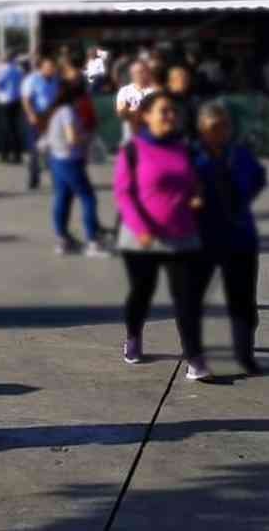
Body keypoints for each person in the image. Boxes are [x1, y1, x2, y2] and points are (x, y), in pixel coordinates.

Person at [114, 91, 214, 382]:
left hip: (182, 235)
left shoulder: (183, 148)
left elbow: (194, 182)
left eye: (173, 111)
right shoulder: (132, 150)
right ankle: (133, 335)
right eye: (163, 111)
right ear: (145, 115)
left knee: (187, 299)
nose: (170, 116)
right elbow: (124, 194)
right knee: (142, 294)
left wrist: (197, 196)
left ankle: (194, 357)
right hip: (141, 239)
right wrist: (141, 229)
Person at [193, 102, 268, 376]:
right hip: (203, 240)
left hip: (240, 238)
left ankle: (244, 352)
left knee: (244, 301)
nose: (220, 132)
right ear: (202, 129)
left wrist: (242, 199)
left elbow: (259, 177)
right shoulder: (194, 157)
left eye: (225, 126)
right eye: (214, 127)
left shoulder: (240, 154)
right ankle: (195, 354)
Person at [43, 82, 106, 256]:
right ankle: (92, 241)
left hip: (57, 159)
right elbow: (72, 138)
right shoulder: (68, 112)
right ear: (76, 98)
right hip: (70, 160)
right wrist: (87, 137)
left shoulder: (57, 112)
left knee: (63, 198)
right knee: (88, 199)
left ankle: (63, 239)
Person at [21, 57, 60, 190]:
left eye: (52, 67)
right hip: (36, 117)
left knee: (53, 149)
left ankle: (57, 179)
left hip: (51, 117)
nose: (51, 70)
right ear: (41, 67)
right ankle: (34, 178)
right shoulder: (32, 79)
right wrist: (31, 115)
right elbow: (26, 99)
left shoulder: (55, 80)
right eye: (48, 67)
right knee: (34, 149)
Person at [115, 60, 159, 145]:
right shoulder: (125, 90)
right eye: (135, 72)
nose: (139, 75)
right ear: (131, 75)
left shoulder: (155, 89)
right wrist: (125, 111)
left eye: (142, 71)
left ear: (147, 72)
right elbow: (121, 113)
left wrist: (131, 111)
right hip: (131, 130)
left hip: (152, 128)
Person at [0, 55, 24, 164]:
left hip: (5, 101)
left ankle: (5, 155)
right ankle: (17, 155)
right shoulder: (18, 70)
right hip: (16, 100)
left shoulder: (4, 71)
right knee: (14, 128)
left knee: (6, 129)